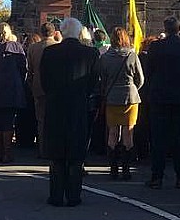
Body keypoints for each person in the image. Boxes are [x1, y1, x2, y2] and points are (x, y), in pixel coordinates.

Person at [41, 17, 99, 207]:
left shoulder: (49, 52)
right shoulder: (90, 53)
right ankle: (74, 195)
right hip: (78, 105)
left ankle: (56, 195)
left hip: (55, 104)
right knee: (75, 152)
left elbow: (44, 81)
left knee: (57, 153)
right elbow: (93, 82)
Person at [144, 16, 180, 189]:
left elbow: (148, 72)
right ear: (179, 29)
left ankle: (157, 177)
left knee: (159, 139)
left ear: (165, 29)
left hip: (160, 97)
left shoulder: (156, 47)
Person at [99, 26, 144, 180]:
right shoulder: (132, 55)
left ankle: (113, 169)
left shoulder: (105, 58)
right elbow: (141, 79)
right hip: (130, 98)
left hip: (112, 98)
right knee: (128, 132)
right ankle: (126, 169)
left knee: (112, 132)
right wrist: (133, 88)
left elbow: (102, 80)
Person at [0, 23, 27, 163]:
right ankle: (7, 153)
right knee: (8, 121)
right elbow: (23, 68)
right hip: (11, 87)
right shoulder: (16, 47)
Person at [27, 22, 58, 157]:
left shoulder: (33, 48)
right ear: (54, 32)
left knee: (41, 120)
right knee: (55, 120)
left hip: (38, 87)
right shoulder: (58, 47)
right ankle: (53, 148)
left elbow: (30, 70)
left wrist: (31, 85)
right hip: (55, 88)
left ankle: (42, 149)